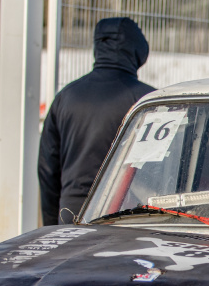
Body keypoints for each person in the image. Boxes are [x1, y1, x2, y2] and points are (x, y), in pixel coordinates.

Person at [38, 17, 155, 225]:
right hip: (130, 213)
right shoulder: (148, 101)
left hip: (72, 211)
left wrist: (51, 223)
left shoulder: (65, 97)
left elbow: (47, 169)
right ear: (138, 50)